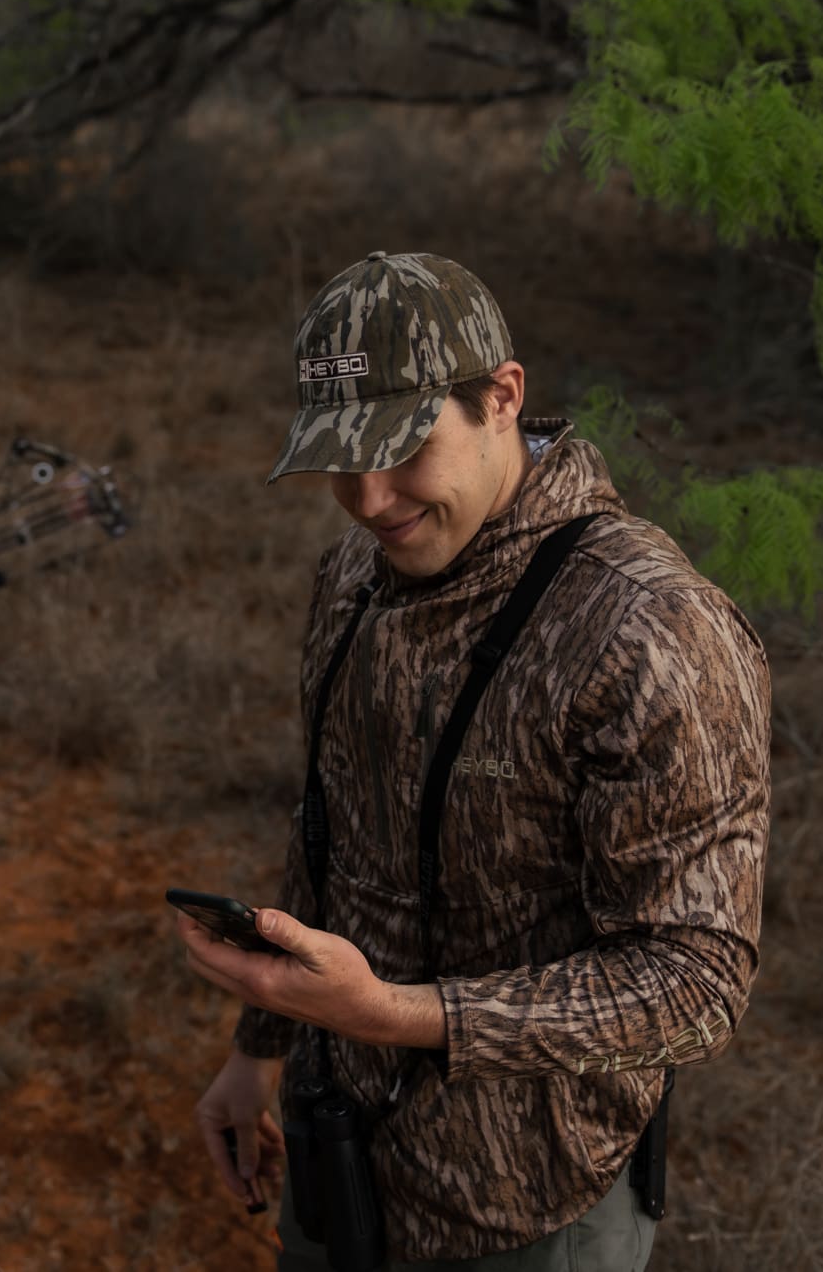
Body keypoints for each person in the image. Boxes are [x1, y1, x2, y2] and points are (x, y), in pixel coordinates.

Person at [178, 252, 772, 1270]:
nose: (366, 498)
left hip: (527, 1206)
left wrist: (397, 1016)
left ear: (502, 396)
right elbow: (328, 833)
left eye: (403, 447)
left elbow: (695, 983)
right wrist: (258, 1049)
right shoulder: (352, 578)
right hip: (337, 1159)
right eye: (336, 458)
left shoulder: (647, 629)